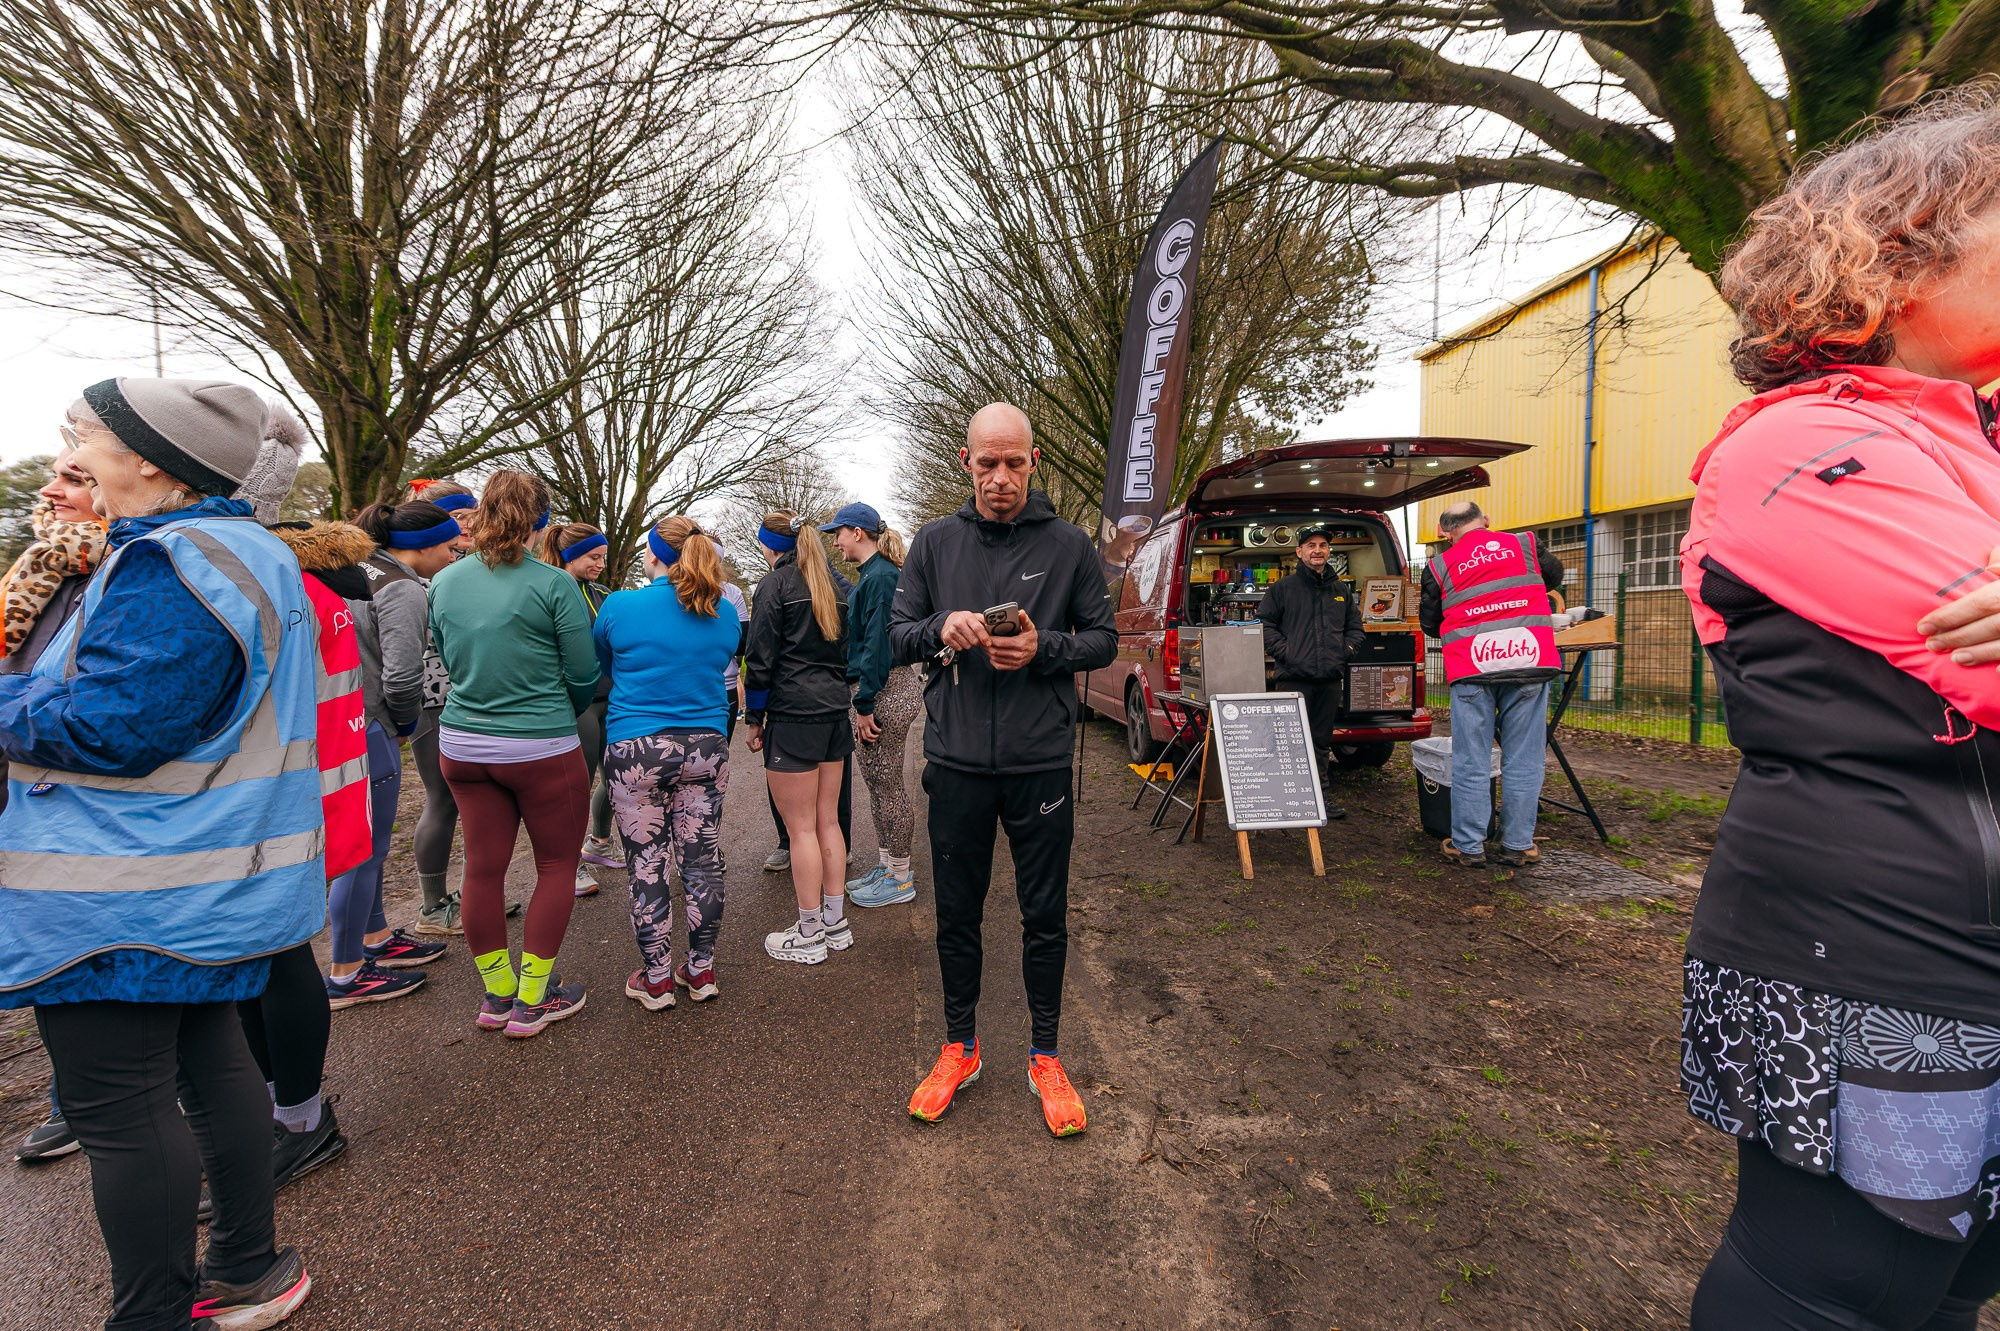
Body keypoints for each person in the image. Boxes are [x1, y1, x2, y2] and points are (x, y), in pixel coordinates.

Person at [1670, 94, 2000, 1329]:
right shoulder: (1801, 445)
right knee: (1841, 1287)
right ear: (1894, 263)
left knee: (1953, 1286)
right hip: (1883, 954)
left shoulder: (1972, 436)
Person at [0, 379, 324, 1329]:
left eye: (86, 434)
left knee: (119, 1108)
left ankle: (152, 1313)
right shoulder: (245, 549)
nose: (72, 453)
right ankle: (247, 1265)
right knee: (210, 1065)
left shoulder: (170, 561)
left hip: (124, 887)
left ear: (148, 457)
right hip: (201, 874)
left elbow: (112, 727)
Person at [889, 402, 1116, 1137]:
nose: (1000, 477)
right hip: (956, 763)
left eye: (1014, 462)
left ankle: (1045, 1054)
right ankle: (960, 1046)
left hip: (1039, 762)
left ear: (1033, 460)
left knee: (1043, 915)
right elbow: (897, 636)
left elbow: (1104, 640)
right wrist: (940, 627)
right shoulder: (933, 543)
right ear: (966, 462)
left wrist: (1045, 647)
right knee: (956, 913)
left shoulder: (1070, 544)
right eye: (987, 463)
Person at [428, 470, 598, 1038]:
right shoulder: (554, 584)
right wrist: (563, 708)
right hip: (540, 743)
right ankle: (532, 998)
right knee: (556, 865)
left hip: (463, 743)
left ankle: (497, 994)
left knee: (482, 867)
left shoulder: (444, 581)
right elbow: (583, 672)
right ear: (540, 522)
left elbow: (449, 656)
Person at [592, 516, 741, 1008]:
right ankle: (701, 970)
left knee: (646, 864)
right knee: (702, 862)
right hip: (705, 746)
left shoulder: (620, 605)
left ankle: (655, 979)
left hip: (637, 748)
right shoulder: (723, 611)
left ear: (654, 554)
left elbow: (604, 667)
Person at [5, 447, 107, 1164]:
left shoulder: (127, 572)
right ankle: (76, 1094)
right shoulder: (38, 567)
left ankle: (89, 1099)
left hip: (89, 800)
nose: (50, 490)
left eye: (74, 478)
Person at [320, 500, 463, 1008]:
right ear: (422, 546)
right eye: (450, 548)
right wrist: (403, 723)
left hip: (336, 714)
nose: (454, 557)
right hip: (370, 720)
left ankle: (375, 936)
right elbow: (402, 674)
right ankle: (346, 972)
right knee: (365, 848)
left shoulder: (354, 568)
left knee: (364, 843)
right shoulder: (402, 586)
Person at [1417, 501, 1562, 870]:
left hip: (1472, 667)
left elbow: (1430, 624)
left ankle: (1469, 846)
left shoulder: (1439, 566)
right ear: (1486, 521)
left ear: (1444, 532)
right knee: (1524, 759)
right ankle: (1518, 845)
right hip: (1528, 661)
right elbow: (1553, 578)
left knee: (1471, 759)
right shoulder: (1526, 545)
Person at [744, 511, 853, 964]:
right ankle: (835, 923)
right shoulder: (835, 587)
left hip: (793, 714)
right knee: (828, 821)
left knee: (801, 828)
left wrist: (754, 716)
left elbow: (759, 656)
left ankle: (808, 933)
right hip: (833, 712)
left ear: (769, 546)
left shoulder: (775, 585)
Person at [404, 478, 492, 935]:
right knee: (441, 799)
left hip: (461, 696)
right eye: (459, 517)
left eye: (472, 516)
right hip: (432, 699)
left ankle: (469, 896)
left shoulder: (451, 566)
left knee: (469, 801)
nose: (468, 525)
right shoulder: (418, 573)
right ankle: (432, 908)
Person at [824, 502, 921, 908]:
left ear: (858, 533)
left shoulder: (881, 577)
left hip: (884, 690)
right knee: (878, 785)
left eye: (838, 533)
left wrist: (864, 704)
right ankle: (887, 865)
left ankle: (900, 877)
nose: (836, 542)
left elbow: (879, 645)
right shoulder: (872, 574)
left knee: (889, 786)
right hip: (879, 689)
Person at [1255, 526, 1364, 820]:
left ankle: (1319, 799)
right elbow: (1265, 625)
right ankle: (1287, 799)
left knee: (1320, 742)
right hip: (1293, 679)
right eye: (1311, 545)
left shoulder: (1340, 591)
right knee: (1288, 742)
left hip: (1329, 680)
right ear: (1299, 552)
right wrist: (1289, 653)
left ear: (1329, 551)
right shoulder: (1282, 589)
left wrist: (1344, 651)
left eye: (1323, 545)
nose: (1318, 550)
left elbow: (1355, 628)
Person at [545, 520, 620, 891]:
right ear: (570, 555)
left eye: (603, 557)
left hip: (612, 698)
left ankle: (599, 841)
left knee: (617, 777)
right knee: (577, 785)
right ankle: (569, 864)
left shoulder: (602, 592)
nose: (601, 564)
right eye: (593, 557)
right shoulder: (550, 589)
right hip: (578, 702)